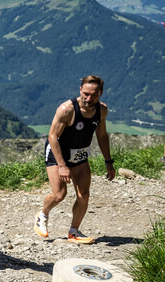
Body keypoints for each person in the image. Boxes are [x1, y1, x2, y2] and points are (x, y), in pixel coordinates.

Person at [33, 75, 115, 244]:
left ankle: (74, 231)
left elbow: (101, 135)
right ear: (80, 90)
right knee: (59, 194)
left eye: (93, 95)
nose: (88, 98)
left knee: (83, 194)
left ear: (101, 93)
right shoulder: (67, 109)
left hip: (80, 153)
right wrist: (62, 165)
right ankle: (43, 214)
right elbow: (53, 136)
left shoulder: (102, 110)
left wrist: (109, 162)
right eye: (85, 93)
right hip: (58, 152)